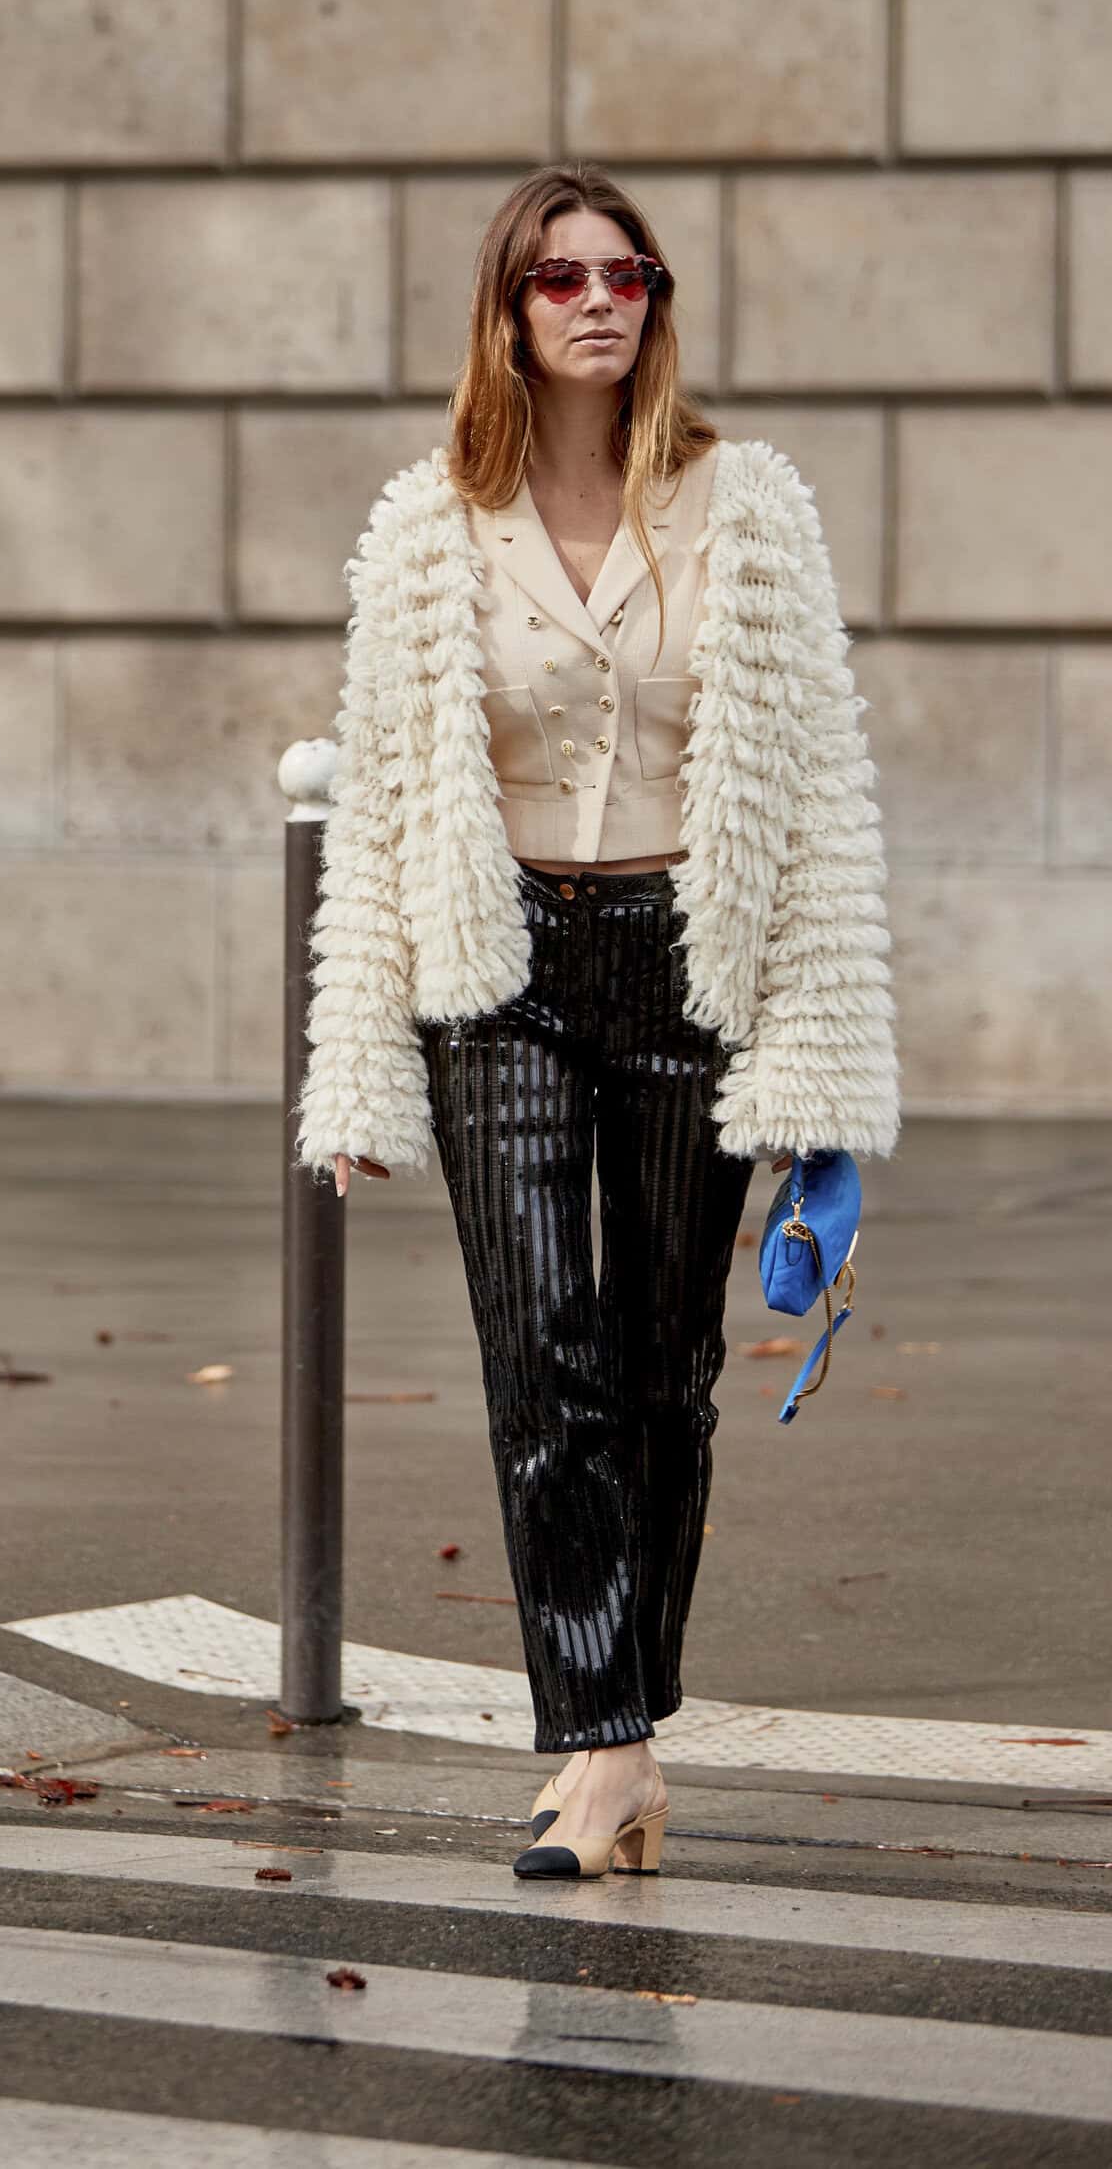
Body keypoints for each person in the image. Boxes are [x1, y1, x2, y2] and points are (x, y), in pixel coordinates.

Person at [298, 165, 898, 1881]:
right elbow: (388, 803)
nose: (598, 302)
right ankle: (605, 1743)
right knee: (543, 1356)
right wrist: (355, 1068)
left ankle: (621, 1728)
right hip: (501, 975)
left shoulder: (747, 506)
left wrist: (821, 1064)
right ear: (508, 309)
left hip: (685, 961)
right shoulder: (428, 525)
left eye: (626, 275)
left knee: (663, 1370)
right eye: (560, 278)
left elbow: (817, 794)